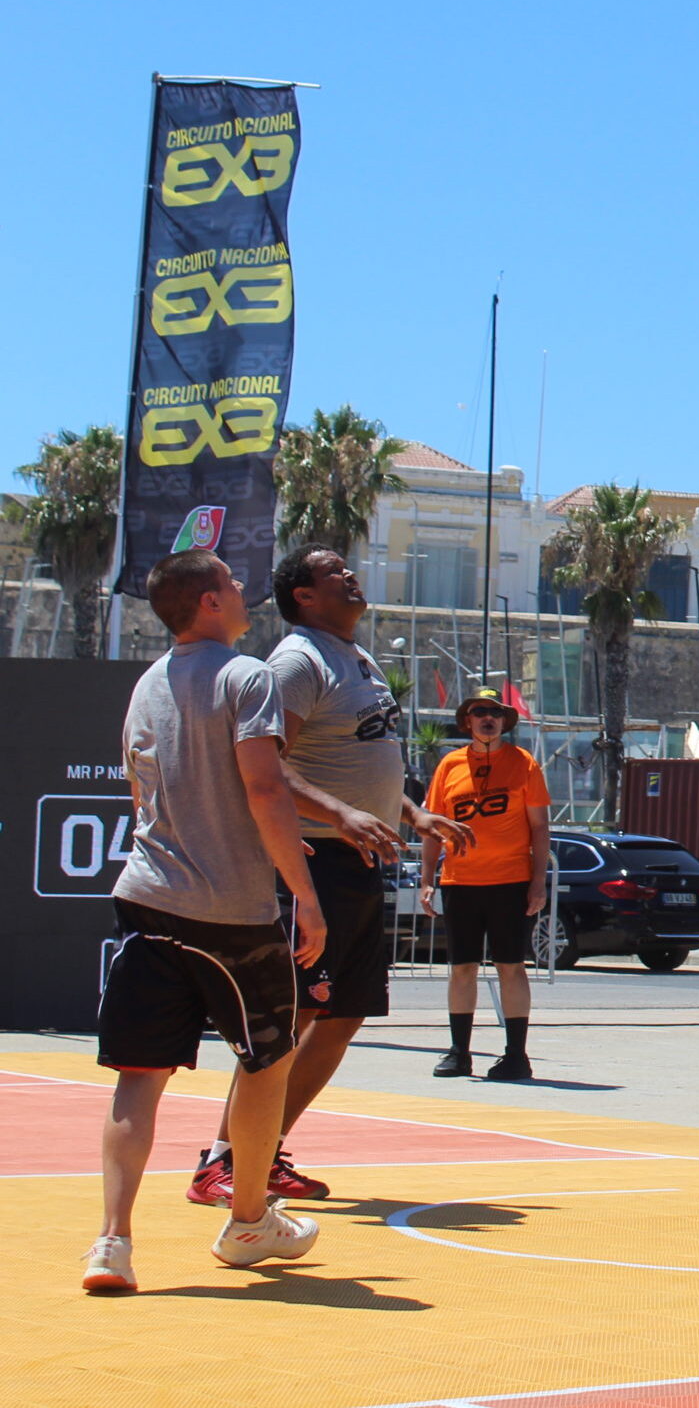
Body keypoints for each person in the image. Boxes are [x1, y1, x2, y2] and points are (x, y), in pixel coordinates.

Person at [190, 545, 475, 1209]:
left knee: (343, 1015)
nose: (351, 575)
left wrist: (412, 812)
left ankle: (265, 1149)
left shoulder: (358, 657)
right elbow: (266, 764)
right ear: (304, 596)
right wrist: (343, 813)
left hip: (361, 861)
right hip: (311, 860)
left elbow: (359, 757)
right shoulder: (296, 661)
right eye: (333, 572)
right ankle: (221, 1160)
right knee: (291, 1016)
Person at [86, 551, 327, 1292]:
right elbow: (263, 786)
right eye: (228, 579)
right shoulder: (244, 676)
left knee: (139, 1073)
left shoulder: (148, 683)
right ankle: (249, 1218)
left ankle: (113, 1242)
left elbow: (140, 793)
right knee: (267, 1058)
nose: (242, 587)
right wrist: (305, 892)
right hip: (230, 909)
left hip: (148, 896)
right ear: (208, 602)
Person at [423, 689, 551, 1079]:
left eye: (494, 712)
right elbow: (432, 827)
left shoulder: (523, 763)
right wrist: (428, 880)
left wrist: (538, 882)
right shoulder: (449, 765)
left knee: (510, 966)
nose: (487, 718)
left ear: (503, 721)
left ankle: (516, 1055)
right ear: (467, 722)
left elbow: (540, 826)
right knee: (462, 968)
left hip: (509, 881)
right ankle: (459, 1052)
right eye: (479, 712)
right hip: (460, 881)